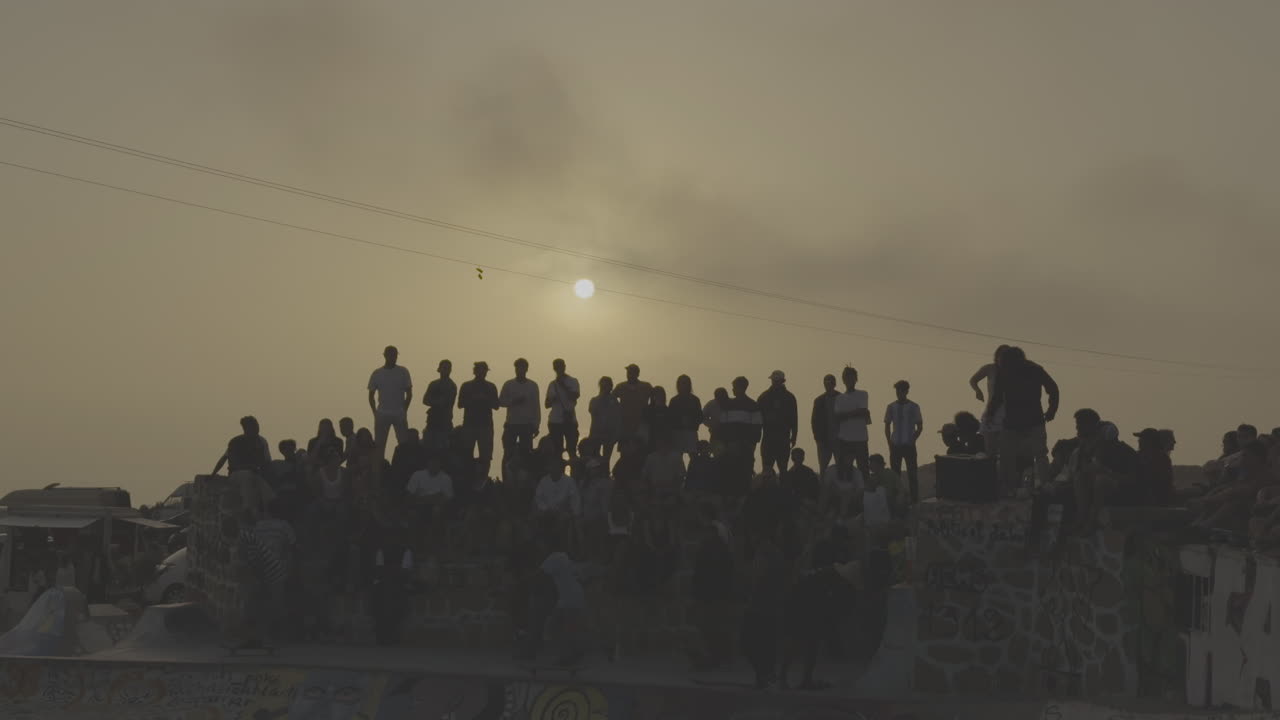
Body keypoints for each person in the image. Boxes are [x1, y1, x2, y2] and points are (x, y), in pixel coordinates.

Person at [985, 347, 1059, 495]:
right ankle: (1009, 487)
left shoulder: (1034, 369)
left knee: (1039, 453)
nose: (1001, 366)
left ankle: (1044, 484)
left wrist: (1052, 410)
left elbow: (1052, 388)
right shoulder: (1004, 372)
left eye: (1003, 363)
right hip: (1014, 421)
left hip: (1033, 421)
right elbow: (998, 396)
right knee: (1007, 455)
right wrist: (990, 414)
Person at [779, 561, 859, 691]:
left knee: (809, 644)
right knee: (799, 643)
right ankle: (786, 678)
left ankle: (803, 679)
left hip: (805, 608)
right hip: (801, 609)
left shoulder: (827, 576)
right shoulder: (826, 579)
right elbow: (818, 599)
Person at [741, 523, 788, 690]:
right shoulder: (776, 553)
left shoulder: (764, 553)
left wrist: (749, 597)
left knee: (748, 642)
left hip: (759, 606)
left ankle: (764, 675)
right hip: (771, 607)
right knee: (766, 643)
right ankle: (765, 676)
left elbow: (757, 580)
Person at [688, 517, 734, 671]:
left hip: (715, 595)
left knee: (714, 628)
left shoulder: (720, 550)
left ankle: (714, 658)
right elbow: (698, 572)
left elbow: (726, 573)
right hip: (708, 594)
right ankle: (710, 658)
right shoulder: (706, 549)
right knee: (708, 627)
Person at [719, 377, 764, 498]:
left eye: (734, 387)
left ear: (741, 388)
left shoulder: (753, 406)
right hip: (731, 449)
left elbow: (757, 428)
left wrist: (751, 447)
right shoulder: (728, 405)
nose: (733, 390)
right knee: (731, 480)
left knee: (744, 480)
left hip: (745, 449)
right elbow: (722, 428)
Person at [368, 346, 413, 458]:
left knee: (404, 443)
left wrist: (404, 410)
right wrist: (375, 412)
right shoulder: (377, 373)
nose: (393, 357)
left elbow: (409, 393)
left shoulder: (403, 371)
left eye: (395, 355)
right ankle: (380, 468)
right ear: (385, 355)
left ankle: (403, 465)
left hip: (399, 413)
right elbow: (371, 396)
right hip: (382, 413)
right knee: (379, 445)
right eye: (391, 354)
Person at [500, 358, 541, 482]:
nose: (520, 370)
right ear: (515, 369)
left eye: (523, 367)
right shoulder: (508, 384)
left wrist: (536, 424)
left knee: (527, 454)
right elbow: (500, 402)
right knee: (508, 454)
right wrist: (513, 401)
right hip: (511, 424)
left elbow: (536, 406)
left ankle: (526, 481)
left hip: (527, 426)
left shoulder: (533, 386)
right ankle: (506, 481)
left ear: (526, 369)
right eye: (518, 367)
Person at [458, 362, 500, 481]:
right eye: (480, 370)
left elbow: (496, 405)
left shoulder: (491, 387)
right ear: (475, 371)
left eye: (484, 370)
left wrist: (485, 399)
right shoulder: (466, 386)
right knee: (466, 454)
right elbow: (460, 404)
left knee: (486, 457)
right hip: (469, 425)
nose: (482, 373)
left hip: (485, 426)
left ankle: (483, 481)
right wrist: (474, 399)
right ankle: (468, 479)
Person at [884, 380, 924, 504]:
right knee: (895, 476)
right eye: (897, 391)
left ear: (906, 391)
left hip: (909, 445)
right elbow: (887, 425)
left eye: (901, 391)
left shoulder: (914, 406)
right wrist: (889, 443)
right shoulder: (891, 407)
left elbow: (920, 426)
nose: (898, 393)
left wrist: (913, 439)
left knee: (912, 474)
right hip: (895, 445)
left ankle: (914, 501)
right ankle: (896, 501)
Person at [969, 345, 1011, 456]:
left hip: (1008, 411)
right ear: (997, 356)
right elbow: (973, 380)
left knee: (1005, 449)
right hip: (992, 408)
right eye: (1001, 355)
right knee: (990, 447)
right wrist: (977, 391)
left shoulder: (1013, 371)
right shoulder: (990, 368)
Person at [758, 370, 799, 476]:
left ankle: (782, 491)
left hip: (782, 438)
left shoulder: (789, 397)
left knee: (783, 470)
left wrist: (794, 436)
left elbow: (794, 419)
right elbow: (758, 419)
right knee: (767, 470)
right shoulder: (764, 397)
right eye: (774, 381)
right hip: (769, 438)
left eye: (777, 381)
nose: (775, 383)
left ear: (782, 381)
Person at [833, 367, 871, 476]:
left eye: (852, 378)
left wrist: (846, 414)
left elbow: (863, 411)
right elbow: (837, 417)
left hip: (860, 438)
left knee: (863, 470)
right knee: (844, 470)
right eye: (847, 378)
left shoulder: (863, 394)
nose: (850, 380)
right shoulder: (839, 398)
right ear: (843, 380)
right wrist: (856, 412)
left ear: (856, 379)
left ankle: (863, 492)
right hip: (844, 439)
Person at [545, 359, 582, 461]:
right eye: (556, 367)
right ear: (554, 369)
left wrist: (562, 385)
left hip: (569, 420)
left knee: (572, 450)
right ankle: (559, 473)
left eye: (560, 366)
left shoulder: (573, 381)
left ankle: (574, 474)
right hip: (555, 421)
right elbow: (546, 404)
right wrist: (552, 399)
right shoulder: (552, 384)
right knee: (557, 451)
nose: (558, 369)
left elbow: (575, 396)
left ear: (564, 367)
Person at [614, 364, 654, 445]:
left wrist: (649, 412)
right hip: (625, 424)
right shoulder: (621, 386)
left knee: (641, 449)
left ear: (637, 374)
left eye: (632, 372)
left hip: (641, 423)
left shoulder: (646, 386)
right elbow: (612, 399)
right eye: (628, 372)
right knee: (625, 451)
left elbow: (654, 397)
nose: (629, 374)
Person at [422, 360, 457, 452]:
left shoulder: (451, 386)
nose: (446, 370)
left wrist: (434, 401)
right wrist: (437, 401)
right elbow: (425, 400)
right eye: (444, 368)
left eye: (448, 368)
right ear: (439, 369)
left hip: (445, 423)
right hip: (432, 421)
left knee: (443, 451)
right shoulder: (433, 384)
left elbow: (445, 402)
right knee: (428, 449)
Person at [1134, 428, 1174, 507]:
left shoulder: (1161, 459)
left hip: (1151, 501)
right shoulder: (1163, 458)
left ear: (1149, 441)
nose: (1139, 441)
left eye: (1142, 438)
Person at [669, 375, 704, 464]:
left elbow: (700, 417)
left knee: (694, 457)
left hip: (691, 431)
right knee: (677, 457)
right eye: (681, 383)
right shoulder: (674, 400)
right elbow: (669, 418)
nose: (683, 385)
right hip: (677, 432)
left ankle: (693, 474)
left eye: (685, 383)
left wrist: (692, 423)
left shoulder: (695, 400)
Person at [588, 377, 622, 466]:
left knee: (606, 460)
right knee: (594, 458)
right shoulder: (594, 400)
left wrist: (616, 435)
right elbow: (593, 411)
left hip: (609, 434)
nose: (605, 387)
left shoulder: (614, 401)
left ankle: (605, 476)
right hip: (596, 434)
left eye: (607, 385)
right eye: (603, 385)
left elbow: (618, 418)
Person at [811, 374, 841, 476]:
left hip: (839, 440)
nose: (828, 385)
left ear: (835, 384)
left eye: (831, 382)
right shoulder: (819, 401)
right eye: (826, 383)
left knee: (841, 468)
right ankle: (823, 490)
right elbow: (814, 421)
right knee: (823, 469)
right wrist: (818, 439)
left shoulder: (841, 398)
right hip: (824, 440)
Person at [644, 386, 674, 453]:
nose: (658, 397)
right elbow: (645, 424)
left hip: (664, 441)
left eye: (660, 395)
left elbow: (670, 426)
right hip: (651, 439)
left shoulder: (667, 410)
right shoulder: (648, 410)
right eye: (656, 395)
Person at [703, 387, 730, 454]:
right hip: (716, 434)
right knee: (717, 456)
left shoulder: (732, 403)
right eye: (719, 397)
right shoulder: (711, 404)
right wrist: (712, 424)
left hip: (730, 435)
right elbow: (702, 417)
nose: (721, 399)